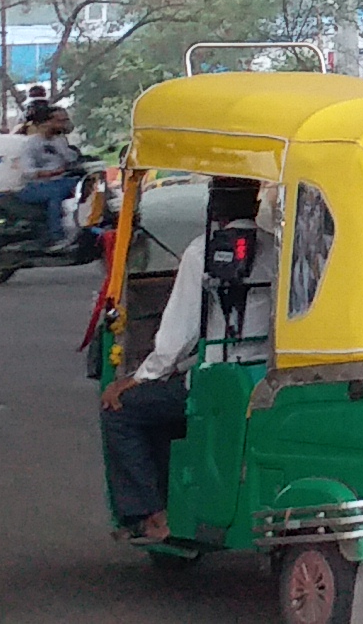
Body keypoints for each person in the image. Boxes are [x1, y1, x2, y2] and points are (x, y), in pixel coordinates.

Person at [100, 176, 275, 544]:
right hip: (263, 377)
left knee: (121, 411)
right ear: (255, 206)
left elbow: (177, 337)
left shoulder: (202, 251)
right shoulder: (277, 250)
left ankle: (153, 515)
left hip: (213, 384)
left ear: (213, 207)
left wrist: (142, 376)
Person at [15, 102, 85, 241]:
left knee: (90, 183)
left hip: (63, 180)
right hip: (37, 185)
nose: (64, 125)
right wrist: (54, 172)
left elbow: (71, 159)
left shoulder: (59, 140)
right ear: (46, 123)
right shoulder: (31, 144)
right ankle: (56, 237)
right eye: (60, 121)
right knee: (55, 193)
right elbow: (28, 171)